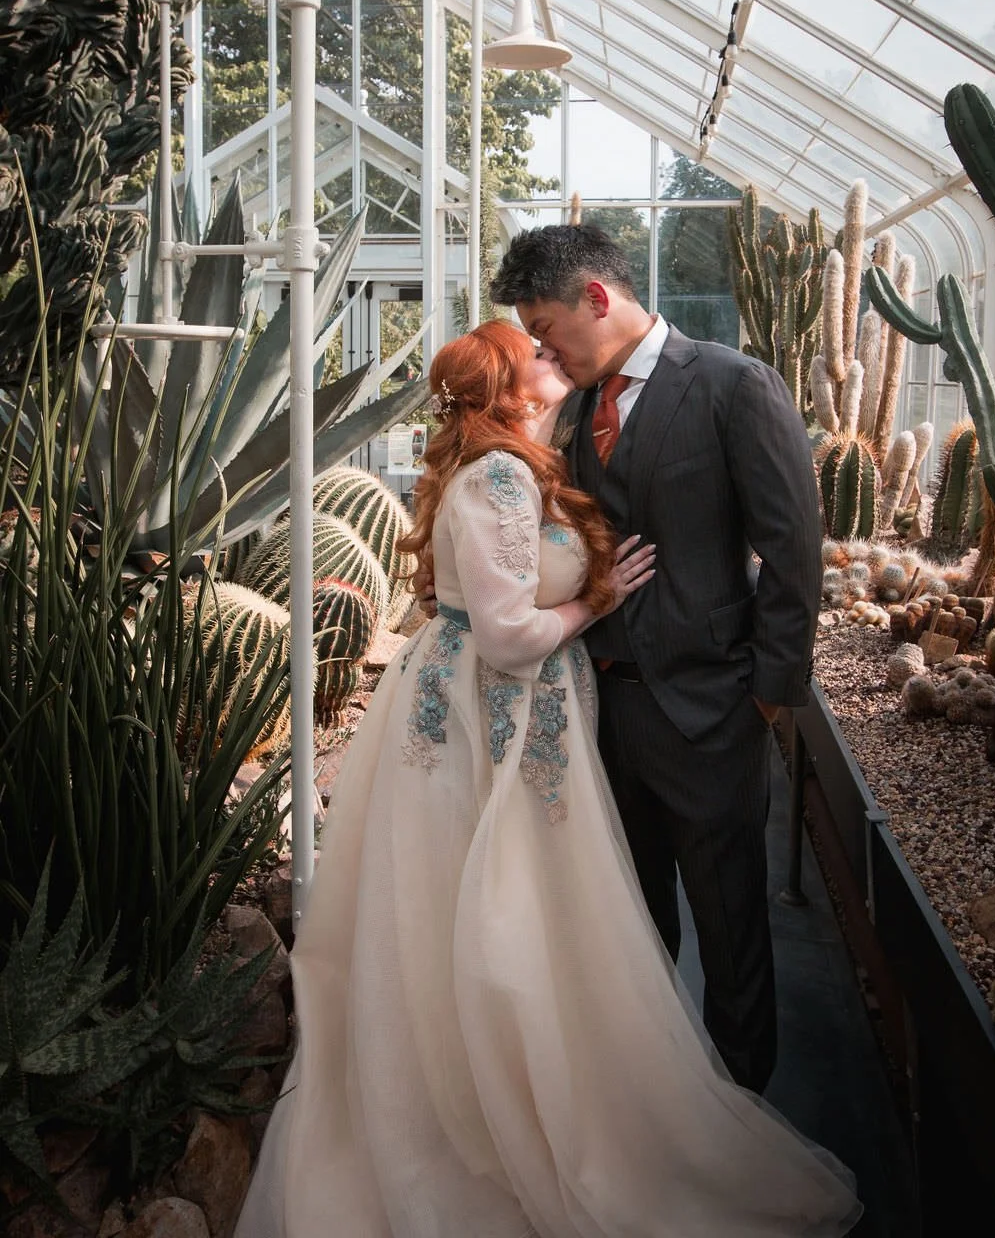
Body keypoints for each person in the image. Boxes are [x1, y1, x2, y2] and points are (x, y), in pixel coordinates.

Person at [235, 320, 859, 1238]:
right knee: (502, 911)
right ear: (510, 386)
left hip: (499, 720)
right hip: (490, 721)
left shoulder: (517, 459)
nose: (552, 356)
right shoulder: (497, 475)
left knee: (492, 913)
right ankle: (510, 1120)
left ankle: (537, 1095)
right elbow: (509, 634)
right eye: (534, 354)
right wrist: (593, 601)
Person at [490, 225, 823, 1097]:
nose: (540, 347)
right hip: (604, 717)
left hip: (713, 716)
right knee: (629, 931)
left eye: (547, 325)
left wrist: (765, 700)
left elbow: (792, 553)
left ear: (597, 298)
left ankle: (744, 1120)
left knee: (732, 935)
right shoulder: (570, 412)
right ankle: (659, 1109)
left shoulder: (733, 386)